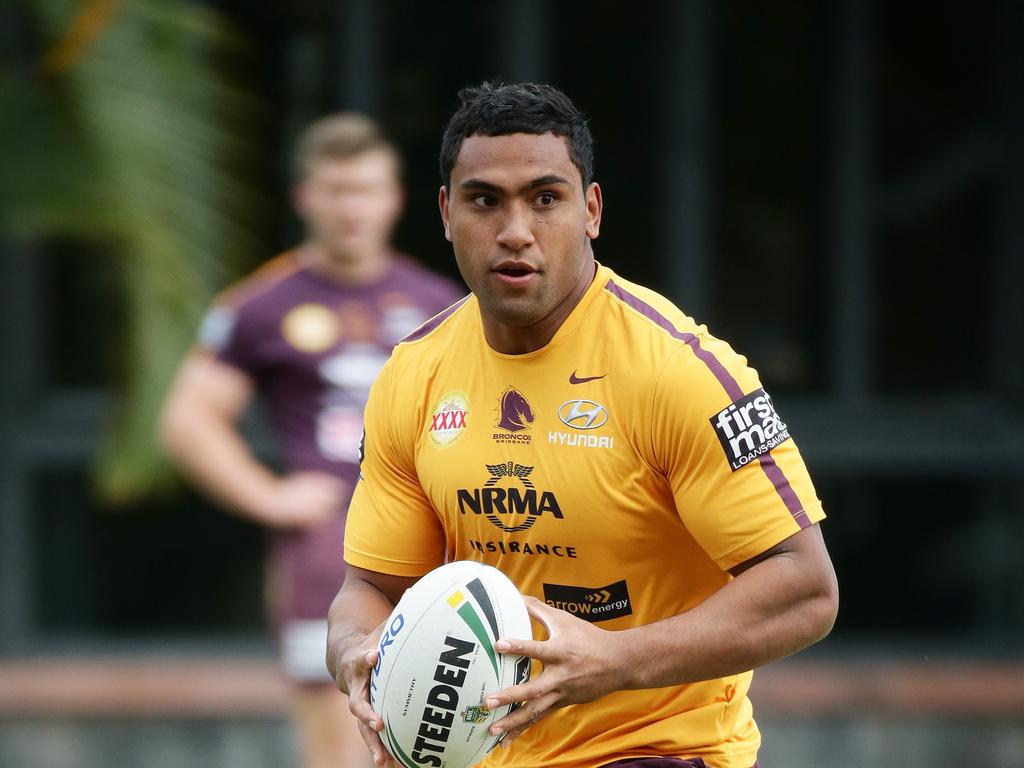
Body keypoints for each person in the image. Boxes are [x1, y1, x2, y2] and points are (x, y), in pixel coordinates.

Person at [326, 82, 839, 768]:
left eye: (545, 198)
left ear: (590, 210)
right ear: (446, 214)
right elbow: (370, 588)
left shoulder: (678, 372)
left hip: (658, 749)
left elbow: (805, 590)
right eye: (485, 200)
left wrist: (617, 659)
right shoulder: (411, 377)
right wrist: (356, 654)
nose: (515, 230)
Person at [159, 113, 464, 768]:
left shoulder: (439, 301)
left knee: (445, 740)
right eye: (336, 190)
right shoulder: (262, 303)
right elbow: (187, 419)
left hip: (432, 549)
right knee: (338, 747)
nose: (352, 208)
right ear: (306, 197)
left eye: (366, 189)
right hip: (326, 562)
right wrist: (269, 496)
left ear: (395, 198)